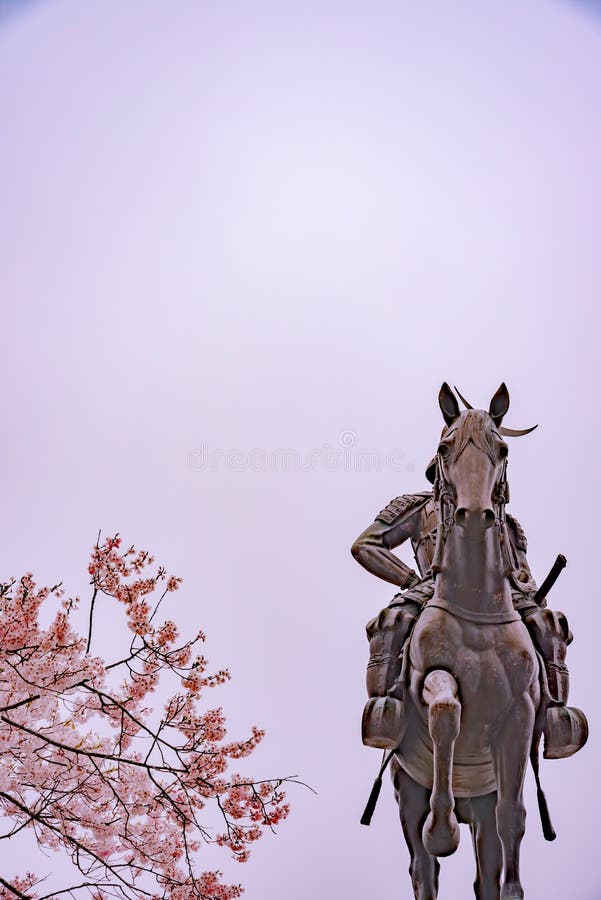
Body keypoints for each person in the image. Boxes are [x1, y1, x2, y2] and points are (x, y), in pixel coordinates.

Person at [352, 455, 586, 759]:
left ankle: (555, 715)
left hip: (505, 593)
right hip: (435, 585)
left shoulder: (508, 523)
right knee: (391, 621)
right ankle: (386, 711)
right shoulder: (418, 506)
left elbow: (522, 572)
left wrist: (532, 594)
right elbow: (366, 545)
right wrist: (409, 579)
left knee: (550, 625)